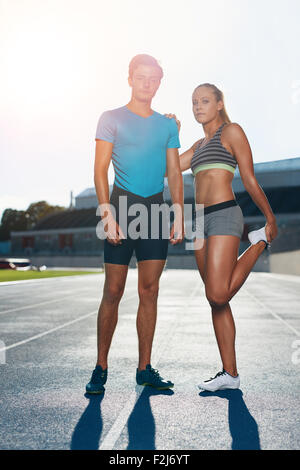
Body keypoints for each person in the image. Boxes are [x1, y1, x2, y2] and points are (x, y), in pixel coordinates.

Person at [166, 83, 278, 392]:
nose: (197, 106)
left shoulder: (231, 132)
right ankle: (230, 374)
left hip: (225, 214)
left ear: (218, 104)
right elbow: (170, 167)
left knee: (217, 294)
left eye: (204, 100)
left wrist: (269, 218)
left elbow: (250, 178)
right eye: (193, 102)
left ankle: (259, 242)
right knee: (217, 301)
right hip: (198, 223)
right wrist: (171, 135)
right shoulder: (199, 145)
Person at [86, 54, 184, 394]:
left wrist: (180, 212)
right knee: (113, 291)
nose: (147, 83)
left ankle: (145, 368)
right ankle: (100, 366)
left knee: (150, 291)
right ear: (130, 78)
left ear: (159, 83)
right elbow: (100, 169)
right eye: (141, 77)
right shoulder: (110, 118)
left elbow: (173, 171)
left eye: (153, 79)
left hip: (156, 210)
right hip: (121, 207)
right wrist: (106, 212)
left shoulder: (168, 125)